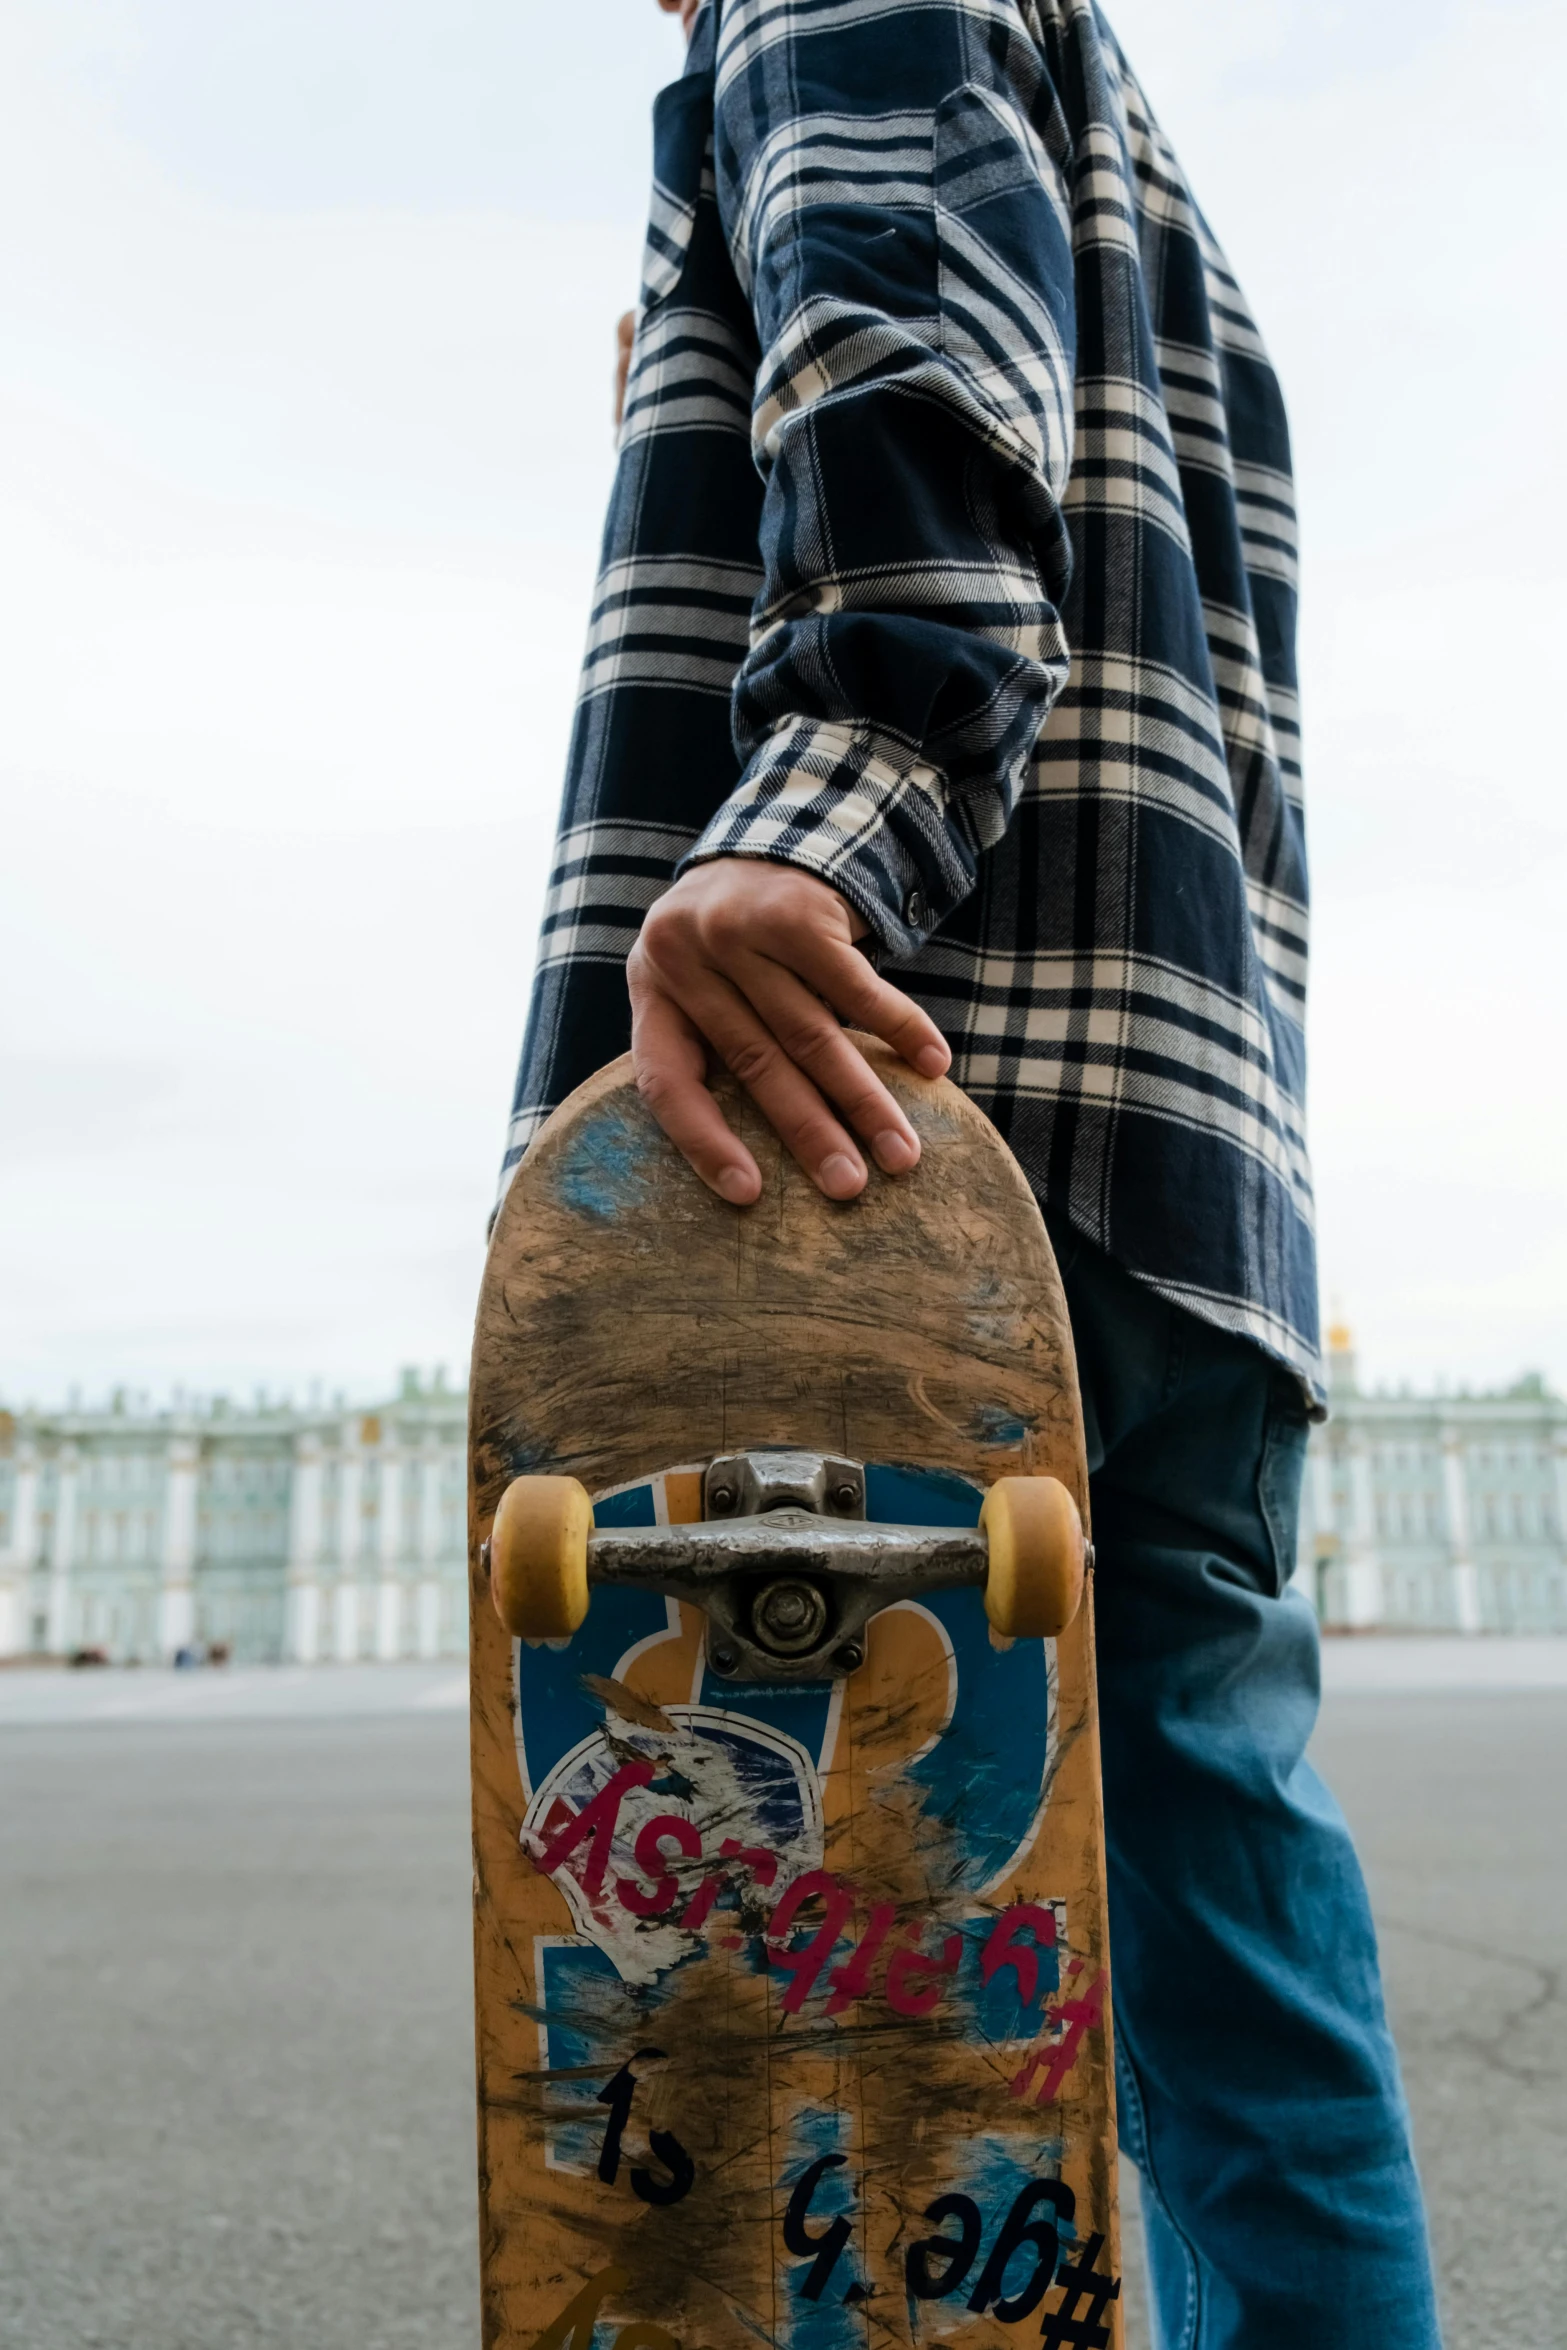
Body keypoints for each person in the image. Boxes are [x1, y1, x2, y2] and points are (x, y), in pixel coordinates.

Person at [500, 2, 1441, 2342]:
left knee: (780, 1990)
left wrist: (827, 802)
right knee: (1230, 1962)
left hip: (891, 1143)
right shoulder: (1135, 159)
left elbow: (913, 350)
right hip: (1175, 1172)